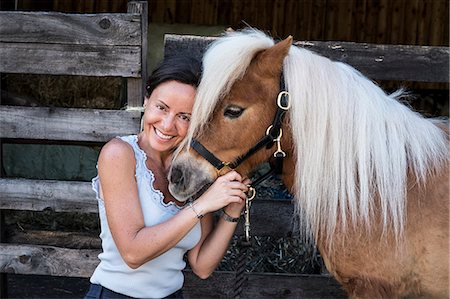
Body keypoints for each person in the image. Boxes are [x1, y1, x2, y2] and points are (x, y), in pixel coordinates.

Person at [84, 55, 249, 299]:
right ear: (146, 100)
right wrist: (203, 205)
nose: (168, 125)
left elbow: (202, 266)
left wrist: (232, 210)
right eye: (161, 108)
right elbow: (133, 253)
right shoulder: (120, 154)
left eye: (185, 116)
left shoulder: (191, 168)